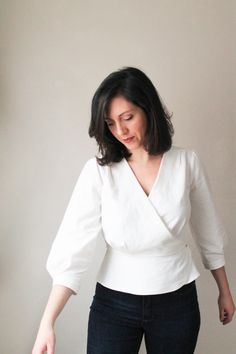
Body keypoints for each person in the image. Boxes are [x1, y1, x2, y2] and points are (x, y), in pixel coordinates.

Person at [32, 67, 235, 354]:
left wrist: (224, 292)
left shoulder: (186, 163)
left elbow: (208, 232)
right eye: (111, 123)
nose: (121, 131)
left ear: (148, 110)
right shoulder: (99, 172)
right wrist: (47, 322)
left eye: (127, 118)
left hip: (176, 302)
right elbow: (72, 247)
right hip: (113, 304)